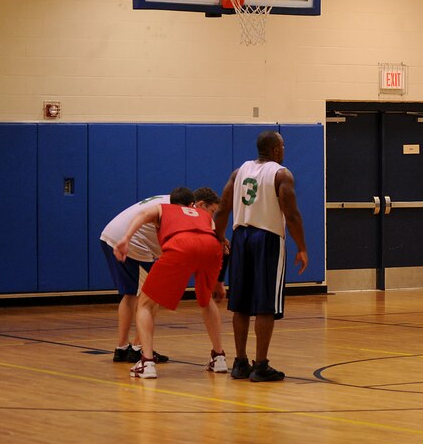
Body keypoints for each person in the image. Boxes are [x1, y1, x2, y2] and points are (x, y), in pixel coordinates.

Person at [213, 130, 309, 383]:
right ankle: (261, 365)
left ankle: (240, 363)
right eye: (283, 146)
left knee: (241, 304)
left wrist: (219, 237)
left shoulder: (239, 172)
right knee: (266, 304)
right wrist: (302, 247)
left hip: (241, 237)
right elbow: (292, 214)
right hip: (267, 239)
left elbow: (223, 208)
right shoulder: (281, 174)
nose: (284, 150)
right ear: (276, 150)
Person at [115, 186, 228, 379]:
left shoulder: (162, 208)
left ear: (171, 201)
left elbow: (142, 214)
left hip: (181, 245)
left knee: (145, 304)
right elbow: (219, 241)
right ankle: (219, 358)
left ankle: (147, 362)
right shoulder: (202, 214)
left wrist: (126, 238)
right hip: (212, 248)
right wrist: (219, 282)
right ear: (192, 203)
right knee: (205, 300)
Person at [100, 194, 172, 364]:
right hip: (131, 241)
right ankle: (139, 348)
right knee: (153, 296)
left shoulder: (166, 198)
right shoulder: (178, 211)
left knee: (130, 294)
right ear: (197, 203)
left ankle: (122, 348)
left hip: (110, 235)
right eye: (211, 210)